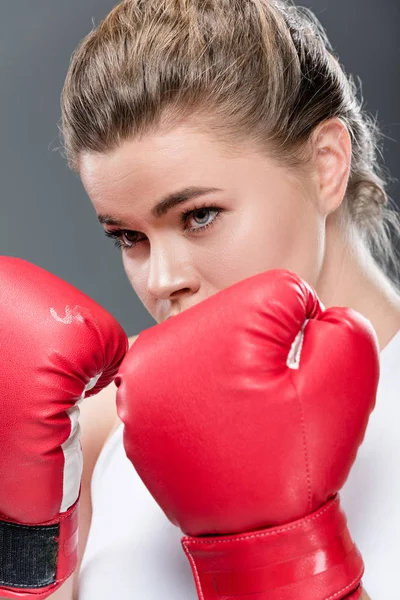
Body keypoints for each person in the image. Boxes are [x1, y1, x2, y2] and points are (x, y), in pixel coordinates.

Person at [1, 0, 398, 599]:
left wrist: (277, 548)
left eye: (199, 215)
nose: (161, 280)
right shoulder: (102, 419)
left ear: (325, 166)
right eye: (128, 236)